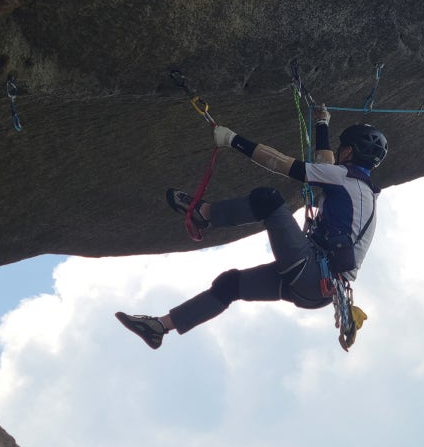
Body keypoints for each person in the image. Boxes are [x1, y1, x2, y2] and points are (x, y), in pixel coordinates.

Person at [115, 105, 387, 350]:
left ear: (349, 150)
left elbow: (281, 163)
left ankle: (204, 214)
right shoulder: (363, 191)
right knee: (230, 285)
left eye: (343, 149)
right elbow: (324, 165)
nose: (339, 154)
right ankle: (159, 328)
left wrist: (233, 140)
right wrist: (321, 124)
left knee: (267, 200)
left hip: (312, 271)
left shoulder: (343, 178)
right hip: (319, 292)